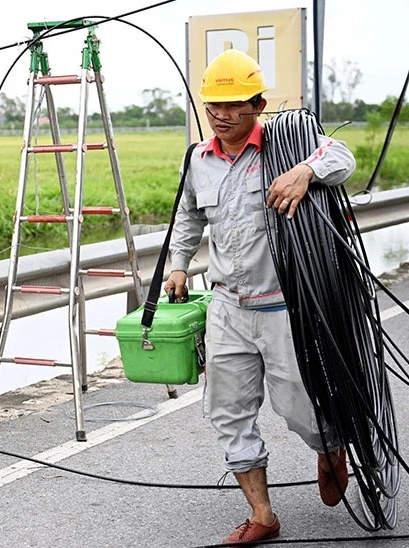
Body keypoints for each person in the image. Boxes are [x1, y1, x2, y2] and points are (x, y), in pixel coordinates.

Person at [163, 49, 356, 545]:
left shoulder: (287, 144)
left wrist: (305, 172)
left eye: (234, 105)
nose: (222, 115)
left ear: (258, 105)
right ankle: (263, 515)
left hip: (282, 308)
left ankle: (330, 445)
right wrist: (179, 264)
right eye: (214, 105)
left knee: (298, 408)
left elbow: (343, 157)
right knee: (227, 412)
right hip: (227, 306)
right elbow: (188, 215)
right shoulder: (197, 159)